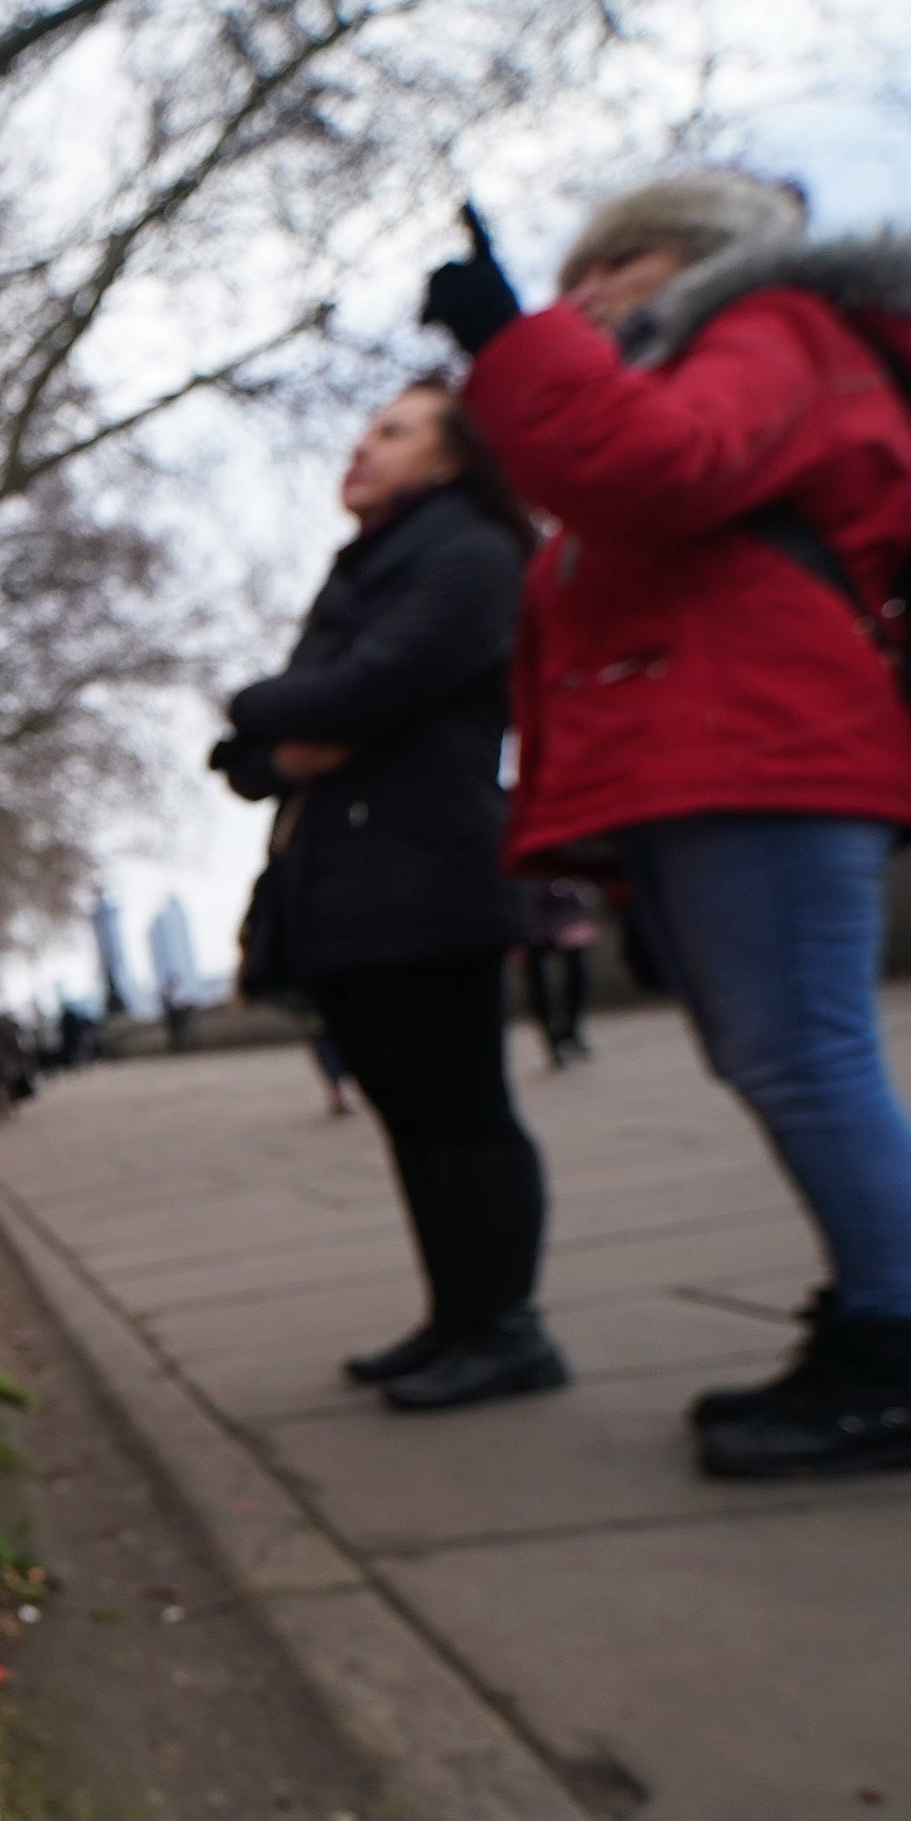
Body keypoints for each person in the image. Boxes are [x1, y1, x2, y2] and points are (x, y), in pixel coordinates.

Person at [426, 171, 911, 1477]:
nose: (584, 296)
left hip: (764, 745)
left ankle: (904, 1356)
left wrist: (516, 344)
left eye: (609, 266)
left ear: (696, 254)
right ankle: (871, 1325)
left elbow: (651, 469)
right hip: (731, 748)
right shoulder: (759, 342)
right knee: (783, 1055)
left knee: (806, 1056)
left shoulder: (772, 325)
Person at [216, 376, 564, 1410]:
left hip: (427, 873)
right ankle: (453, 1318)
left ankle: (507, 1329)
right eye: (363, 428)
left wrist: (259, 707)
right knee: (409, 1116)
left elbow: (349, 693)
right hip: (352, 884)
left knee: (462, 1110)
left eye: (392, 431)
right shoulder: (368, 569)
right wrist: (289, 735)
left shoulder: (468, 555)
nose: (360, 447)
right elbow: (263, 754)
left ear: (452, 459)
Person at [517, 875, 601, 1065]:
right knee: (535, 978)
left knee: (578, 970)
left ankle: (571, 1030)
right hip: (525, 899)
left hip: (562, 896)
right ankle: (552, 1040)